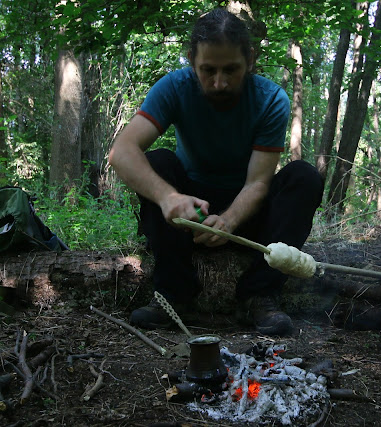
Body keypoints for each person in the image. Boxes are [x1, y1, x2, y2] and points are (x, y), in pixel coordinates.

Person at [108, 9, 323, 336]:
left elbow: (258, 182)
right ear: (191, 59)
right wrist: (169, 197)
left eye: (231, 70)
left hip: (249, 212)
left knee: (304, 177)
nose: (219, 82)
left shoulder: (270, 100)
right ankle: (173, 293)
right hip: (189, 212)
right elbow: (122, 152)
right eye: (208, 70)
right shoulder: (173, 88)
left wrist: (229, 220)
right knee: (157, 162)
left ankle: (259, 295)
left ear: (250, 60)